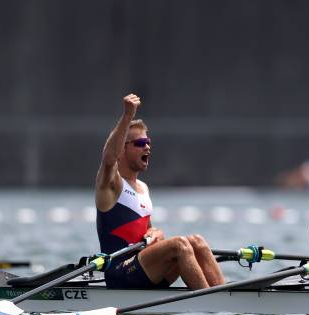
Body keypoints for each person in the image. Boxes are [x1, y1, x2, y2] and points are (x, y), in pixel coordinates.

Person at [95, 94, 226, 289]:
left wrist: (156, 232)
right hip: (120, 272)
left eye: (148, 141)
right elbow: (108, 159)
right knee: (179, 245)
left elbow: (147, 230)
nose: (147, 146)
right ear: (122, 150)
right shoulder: (111, 184)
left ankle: (224, 296)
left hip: (143, 269)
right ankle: (211, 302)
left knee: (196, 242)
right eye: (140, 143)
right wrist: (127, 115)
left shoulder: (143, 188)